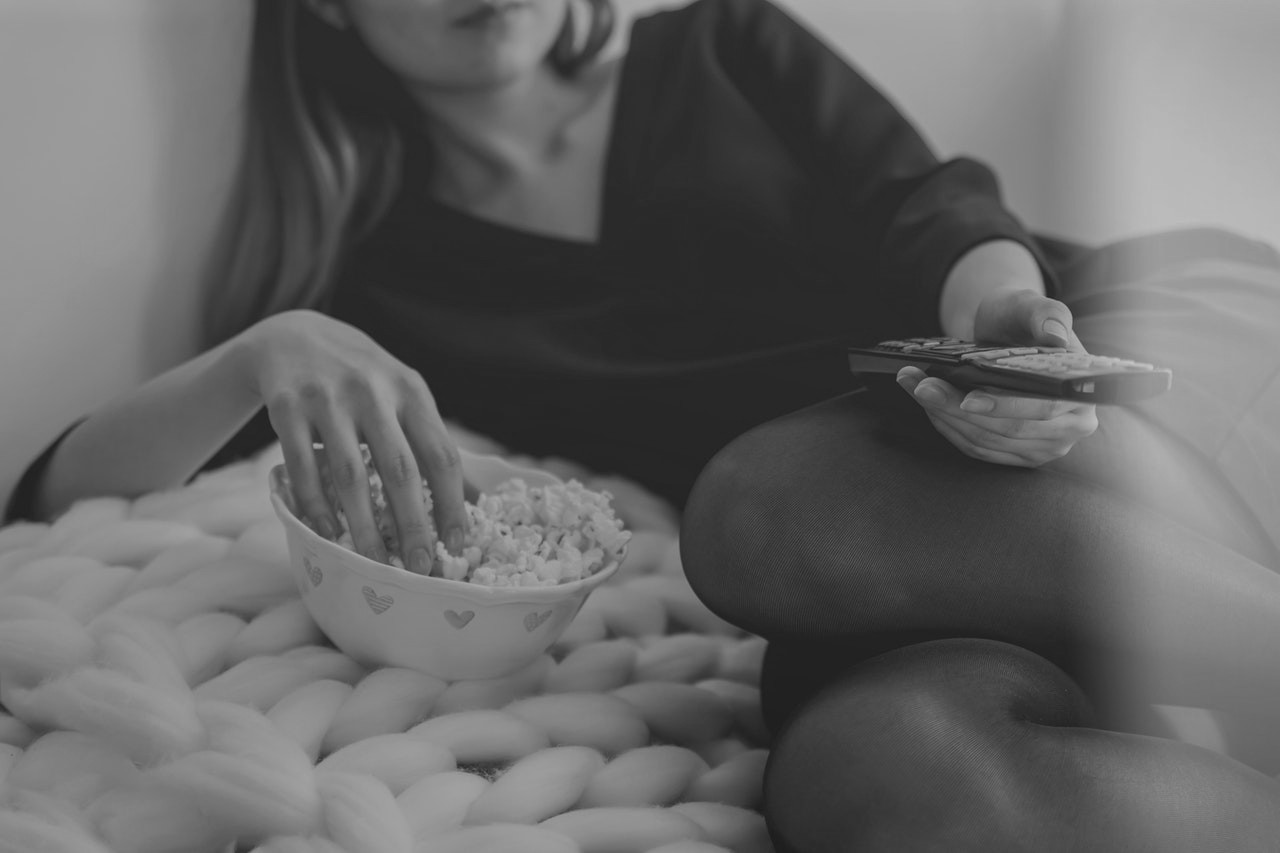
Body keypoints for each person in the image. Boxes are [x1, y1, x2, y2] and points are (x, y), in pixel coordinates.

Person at [5, 0, 1279, 849]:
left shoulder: (716, 44)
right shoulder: (384, 284)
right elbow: (54, 501)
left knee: (759, 502)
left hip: (1074, 375)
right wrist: (260, 351)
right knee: (871, 772)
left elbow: (930, 205)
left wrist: (1004, 328)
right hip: (861, 569)